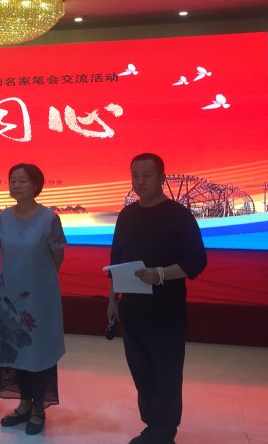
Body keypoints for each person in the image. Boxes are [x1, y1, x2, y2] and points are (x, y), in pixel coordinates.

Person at [107, 153, 207, 444]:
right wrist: (112, 299)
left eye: (147, 175)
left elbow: (197, 260)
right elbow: (116, 258)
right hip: (132, 309)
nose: (140, 182)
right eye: (135, 176)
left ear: (162, 178)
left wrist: (160, 274)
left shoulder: (178, 215)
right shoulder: (127, 215)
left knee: (166, 373)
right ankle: (152, 426)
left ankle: (165, 432)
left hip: (166, 310)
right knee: (142, 373)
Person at [0, 163, 66, 436]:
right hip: (11, 299)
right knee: (17, 351)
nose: (16, 185)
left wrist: (39, 282)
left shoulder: (49, 219)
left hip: (39, 298)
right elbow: (2, 250)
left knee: (39, 353)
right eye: (13, 180)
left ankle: (38, 409)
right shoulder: (3, 218)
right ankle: (24, 404)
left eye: (23, 181)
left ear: (36, 186)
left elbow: (57, 257)